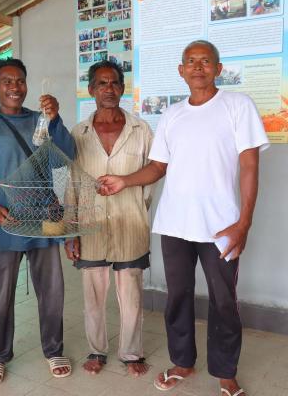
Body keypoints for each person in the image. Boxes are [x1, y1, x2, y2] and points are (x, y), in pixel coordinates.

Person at [98, 40, 269, 396]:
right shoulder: (172, 114)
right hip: (174, 224)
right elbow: (158, 167)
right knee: (178, 296)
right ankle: (182, 362)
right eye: (191, 61)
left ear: (218, 69)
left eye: (205, 61)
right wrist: (124, 181)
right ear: (181, 70)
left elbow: (250, 166)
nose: (198, 67)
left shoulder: (238, 106)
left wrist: (244, 223)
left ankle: (225, 371)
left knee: (223, 300)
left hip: (221, 226)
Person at [0, 57, 75, 384]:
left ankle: (54, 349)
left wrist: (56, 119)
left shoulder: (43, 121)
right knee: (1, 295)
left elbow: (67, 156)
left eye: (20, 81)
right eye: (7, 82)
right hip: (5, 223)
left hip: (44, 220)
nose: (15, 87)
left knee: (52, 291)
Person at [65, 60, 153, 377]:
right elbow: (68, 183)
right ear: (91, 90)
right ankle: (96, 350)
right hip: (90, 226)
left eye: (114, 82)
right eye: (102, 83)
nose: (109, 89)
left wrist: (137, 206)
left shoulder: (141, 130)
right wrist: (70, 231)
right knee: (93, 295)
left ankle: (131, 352)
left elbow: (153, 173)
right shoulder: (78, 133)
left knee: (131, 296)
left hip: (130, 224)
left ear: (122, 88)